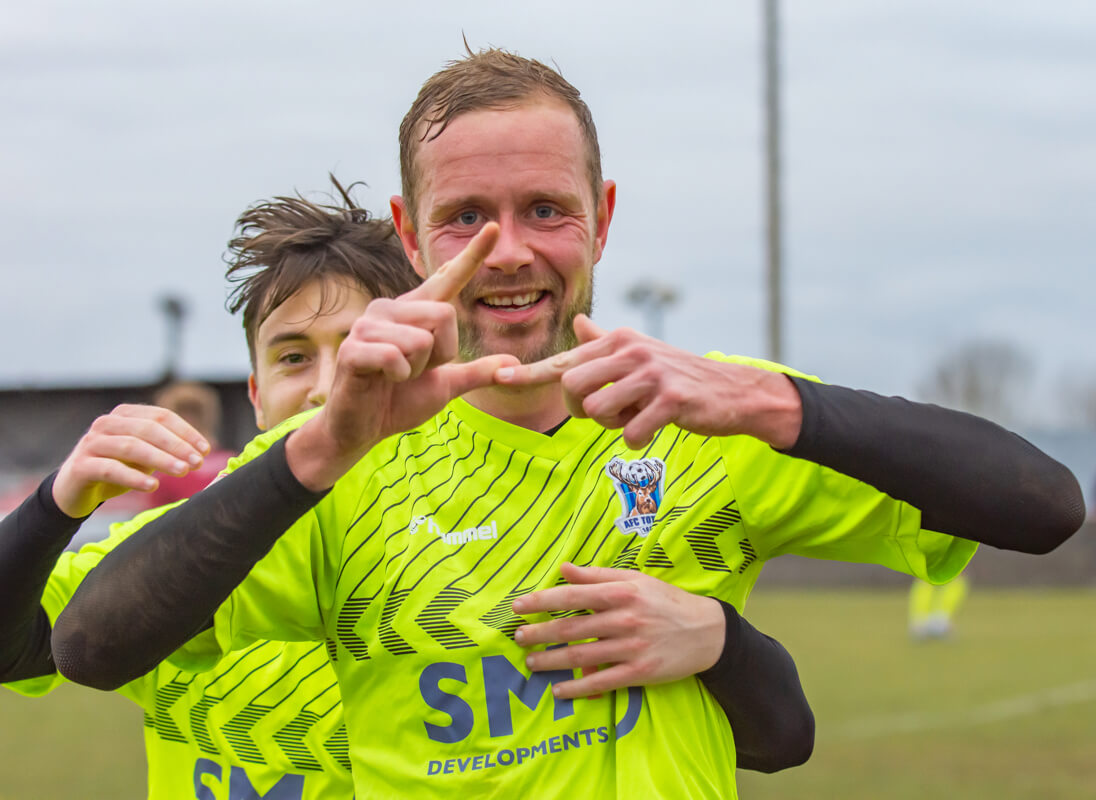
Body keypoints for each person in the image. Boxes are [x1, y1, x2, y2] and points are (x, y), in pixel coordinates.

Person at [56, 50, 1084, 799]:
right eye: (465, 217)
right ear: (410, 235)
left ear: (604, 214)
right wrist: (318, 453)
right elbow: (93, 643)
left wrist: (772, 403)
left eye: (546, 208)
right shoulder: (339, 453)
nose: (507, 251)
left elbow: (1043, 507)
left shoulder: (715, 411)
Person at [2, 177, 812, 797]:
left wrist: (721, 637)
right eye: (292, 357)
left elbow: (780, 734)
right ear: (252, 393)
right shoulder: (164, 585)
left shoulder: (494, 565)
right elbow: (25, 647)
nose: (327, 389)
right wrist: (53, 506)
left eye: (360, 352)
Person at [140, 381, 235, 509]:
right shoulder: (231, 462)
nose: (189, 419)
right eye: (183, 413)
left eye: (193, 412)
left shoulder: (230, 463)